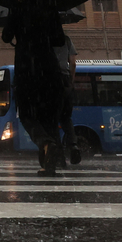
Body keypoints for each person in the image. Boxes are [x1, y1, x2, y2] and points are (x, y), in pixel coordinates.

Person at [2, 0, 66, 176]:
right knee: (49, 117)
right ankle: (48, 164)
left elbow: (6, 37)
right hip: (49, 67)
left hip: (26, 68)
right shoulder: (50, 9)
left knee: (28, 114)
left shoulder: (17, 9)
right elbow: (60, 40)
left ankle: (45, 143)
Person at [53, 33, 80, 165]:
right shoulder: (67, 39)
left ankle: (59, 155)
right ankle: (73, 145)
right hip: (65, 81)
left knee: (52, 120)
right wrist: (71, 81)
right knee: (66, 118)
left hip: (51, 81)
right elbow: (73, 63)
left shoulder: (44, 38)